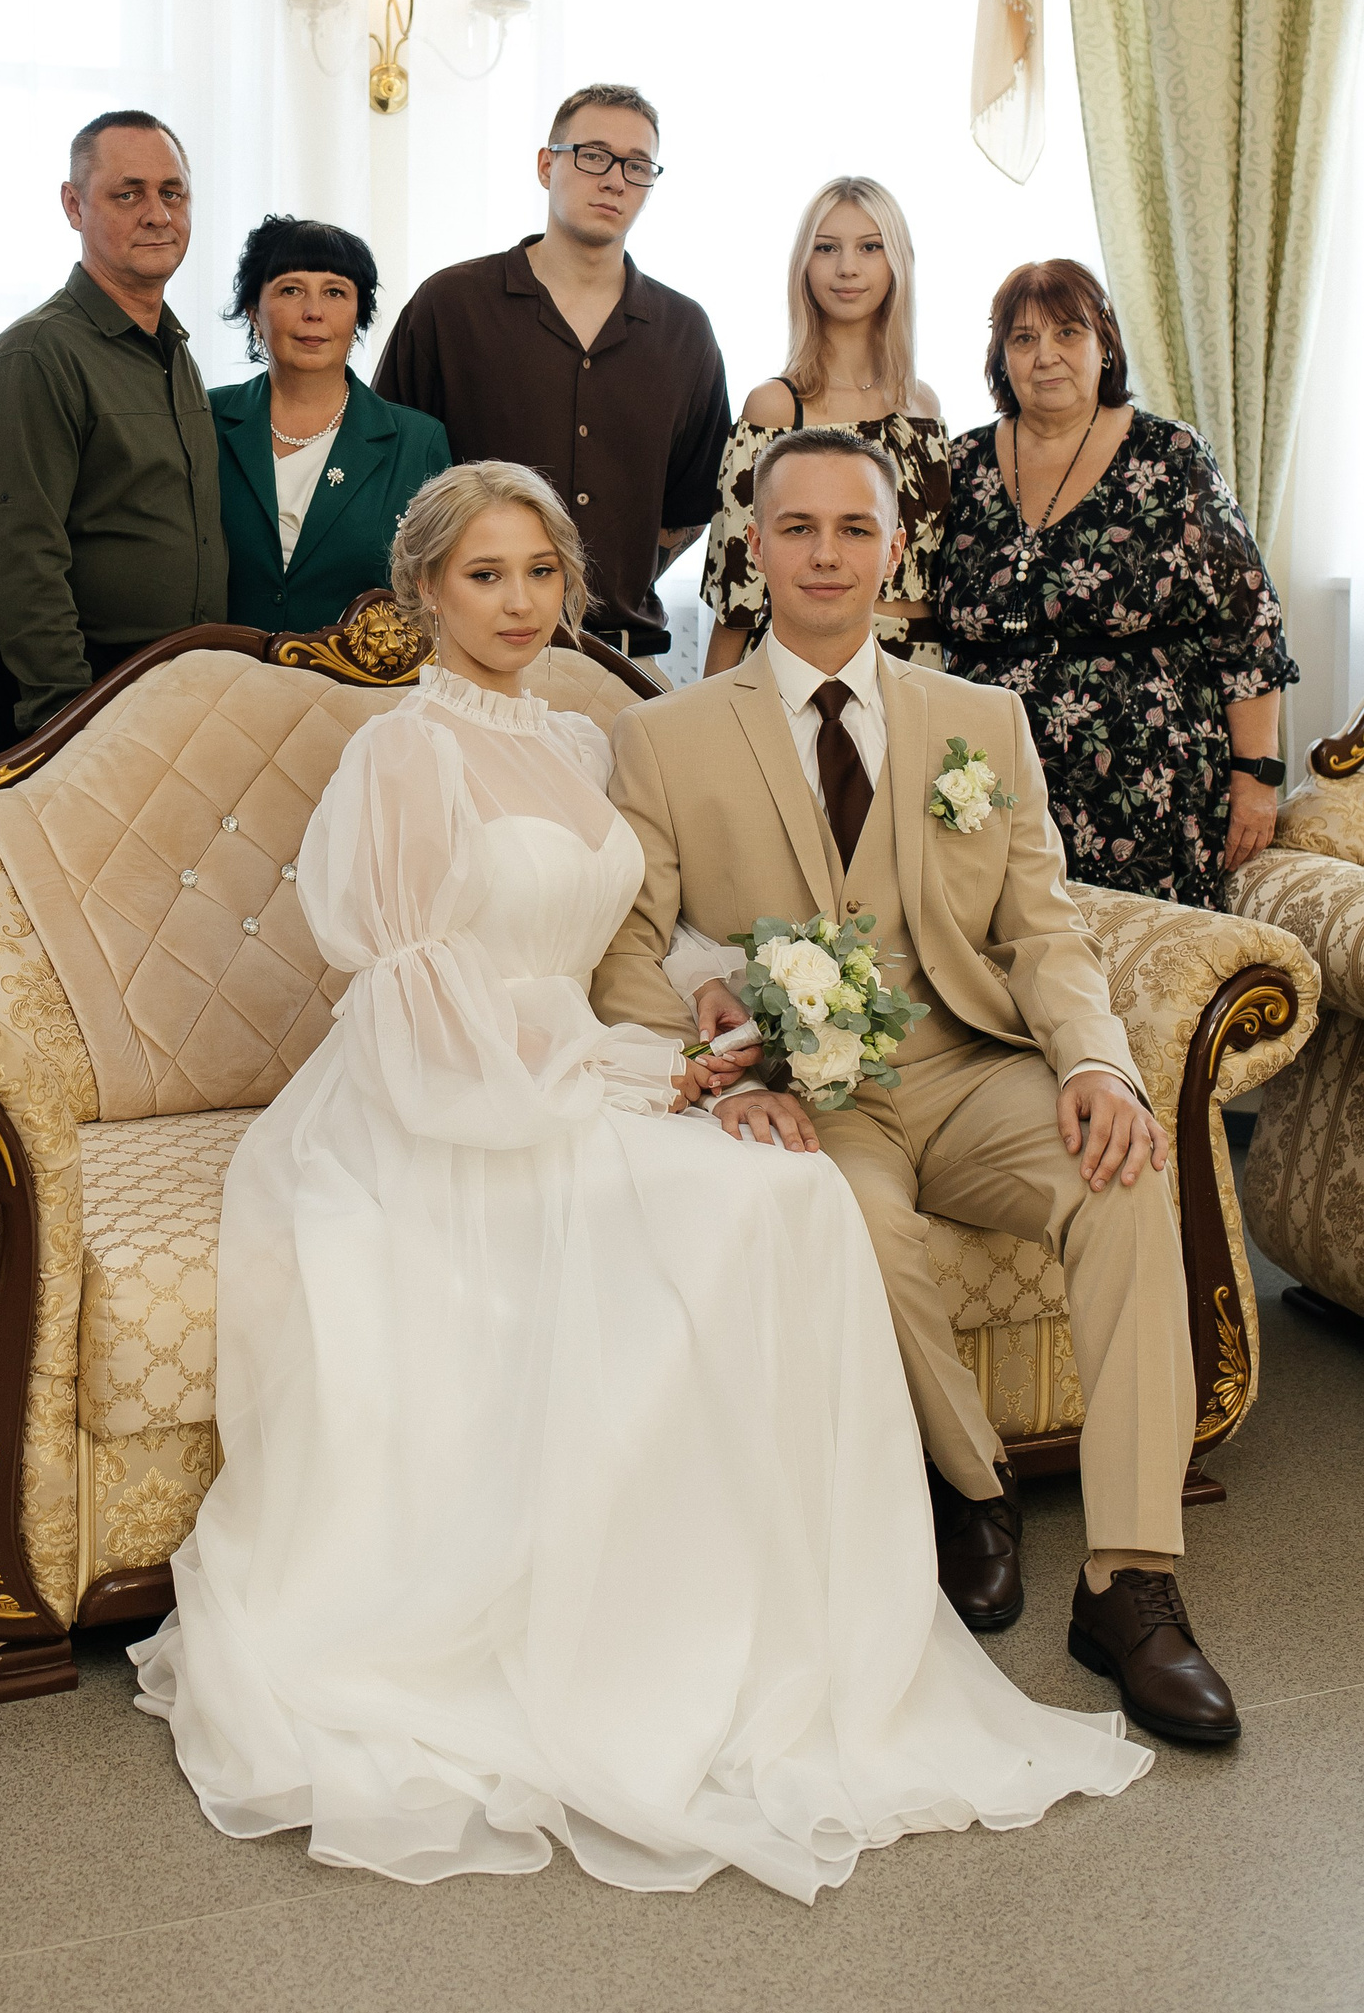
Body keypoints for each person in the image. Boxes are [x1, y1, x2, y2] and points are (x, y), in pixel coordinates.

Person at [131, 457, 1150, 1900]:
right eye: (485, 575)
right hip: (452, 1101)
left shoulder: (575, 736)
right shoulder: (403, 756)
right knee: (754, 1198)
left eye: (541, 572)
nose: (518, 602)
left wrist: (714, 1001)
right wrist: (613, 1079)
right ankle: (672, 1621)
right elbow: (417, 983)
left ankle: (799, 1599)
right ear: (424, 591)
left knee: (786, 1192)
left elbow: (625, 934)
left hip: (585, 1060)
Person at [594, 424, 1240, 1747]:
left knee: (1125, 1180)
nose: (826, 554)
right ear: (755, 546)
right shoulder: (663, 737)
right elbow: (625, 952)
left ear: (897, 551)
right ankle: (973, 1483)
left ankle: (1128, 1579)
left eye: (856, 529)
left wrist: (1097, 1065)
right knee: (855, 1220)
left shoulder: (981, 723)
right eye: (797, 528)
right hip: (812, 1092)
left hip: (970, 1064)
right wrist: (717, 1076)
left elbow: (1046, 930)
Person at [935, 260, 1295, 905]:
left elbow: (1248, 623)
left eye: (1067, 332)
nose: (1046, 355)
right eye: (1023, 338)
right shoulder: (958, 465)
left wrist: (1256, 775)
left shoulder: (1171, 454)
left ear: (1104, 344)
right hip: (988, 786)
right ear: (1001, 359)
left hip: (1148, 784)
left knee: (1145, 961)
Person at [373, 86, 729, 662]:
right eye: (594, 156)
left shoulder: (684, 331)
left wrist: (611, 575)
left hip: (627, 662)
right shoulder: (451, 306)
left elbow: (691, 504)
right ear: (546, 165)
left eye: (637, 166)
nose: (614, 180)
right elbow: (391, 476)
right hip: (466, 655)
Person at [0, 111, 225, 733]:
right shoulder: (35, 355)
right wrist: (67, 723)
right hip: (90, 708)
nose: (157, 214)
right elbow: (24, 559)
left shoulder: (175, 351)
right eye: (128, 194)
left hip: (190, 696)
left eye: (172, 193)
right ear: (73, 205)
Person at [703, 176, 949, 673]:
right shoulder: (775, 408)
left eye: (870, 247)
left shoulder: (923, 405)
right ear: (804, 264)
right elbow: (739, 594)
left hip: (922, 667)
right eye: (827, 247)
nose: (847, 267)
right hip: (803, 661)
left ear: (898, 261)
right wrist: (711, 708)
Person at [210, 216, 450, 636]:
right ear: (254, 312)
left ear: (359, 316)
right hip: (219, 669)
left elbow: (436, 594)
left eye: (335, 292)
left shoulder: (418, 441)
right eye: (290, 290)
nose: (313, 312)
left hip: (366, 675)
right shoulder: (203, 418)